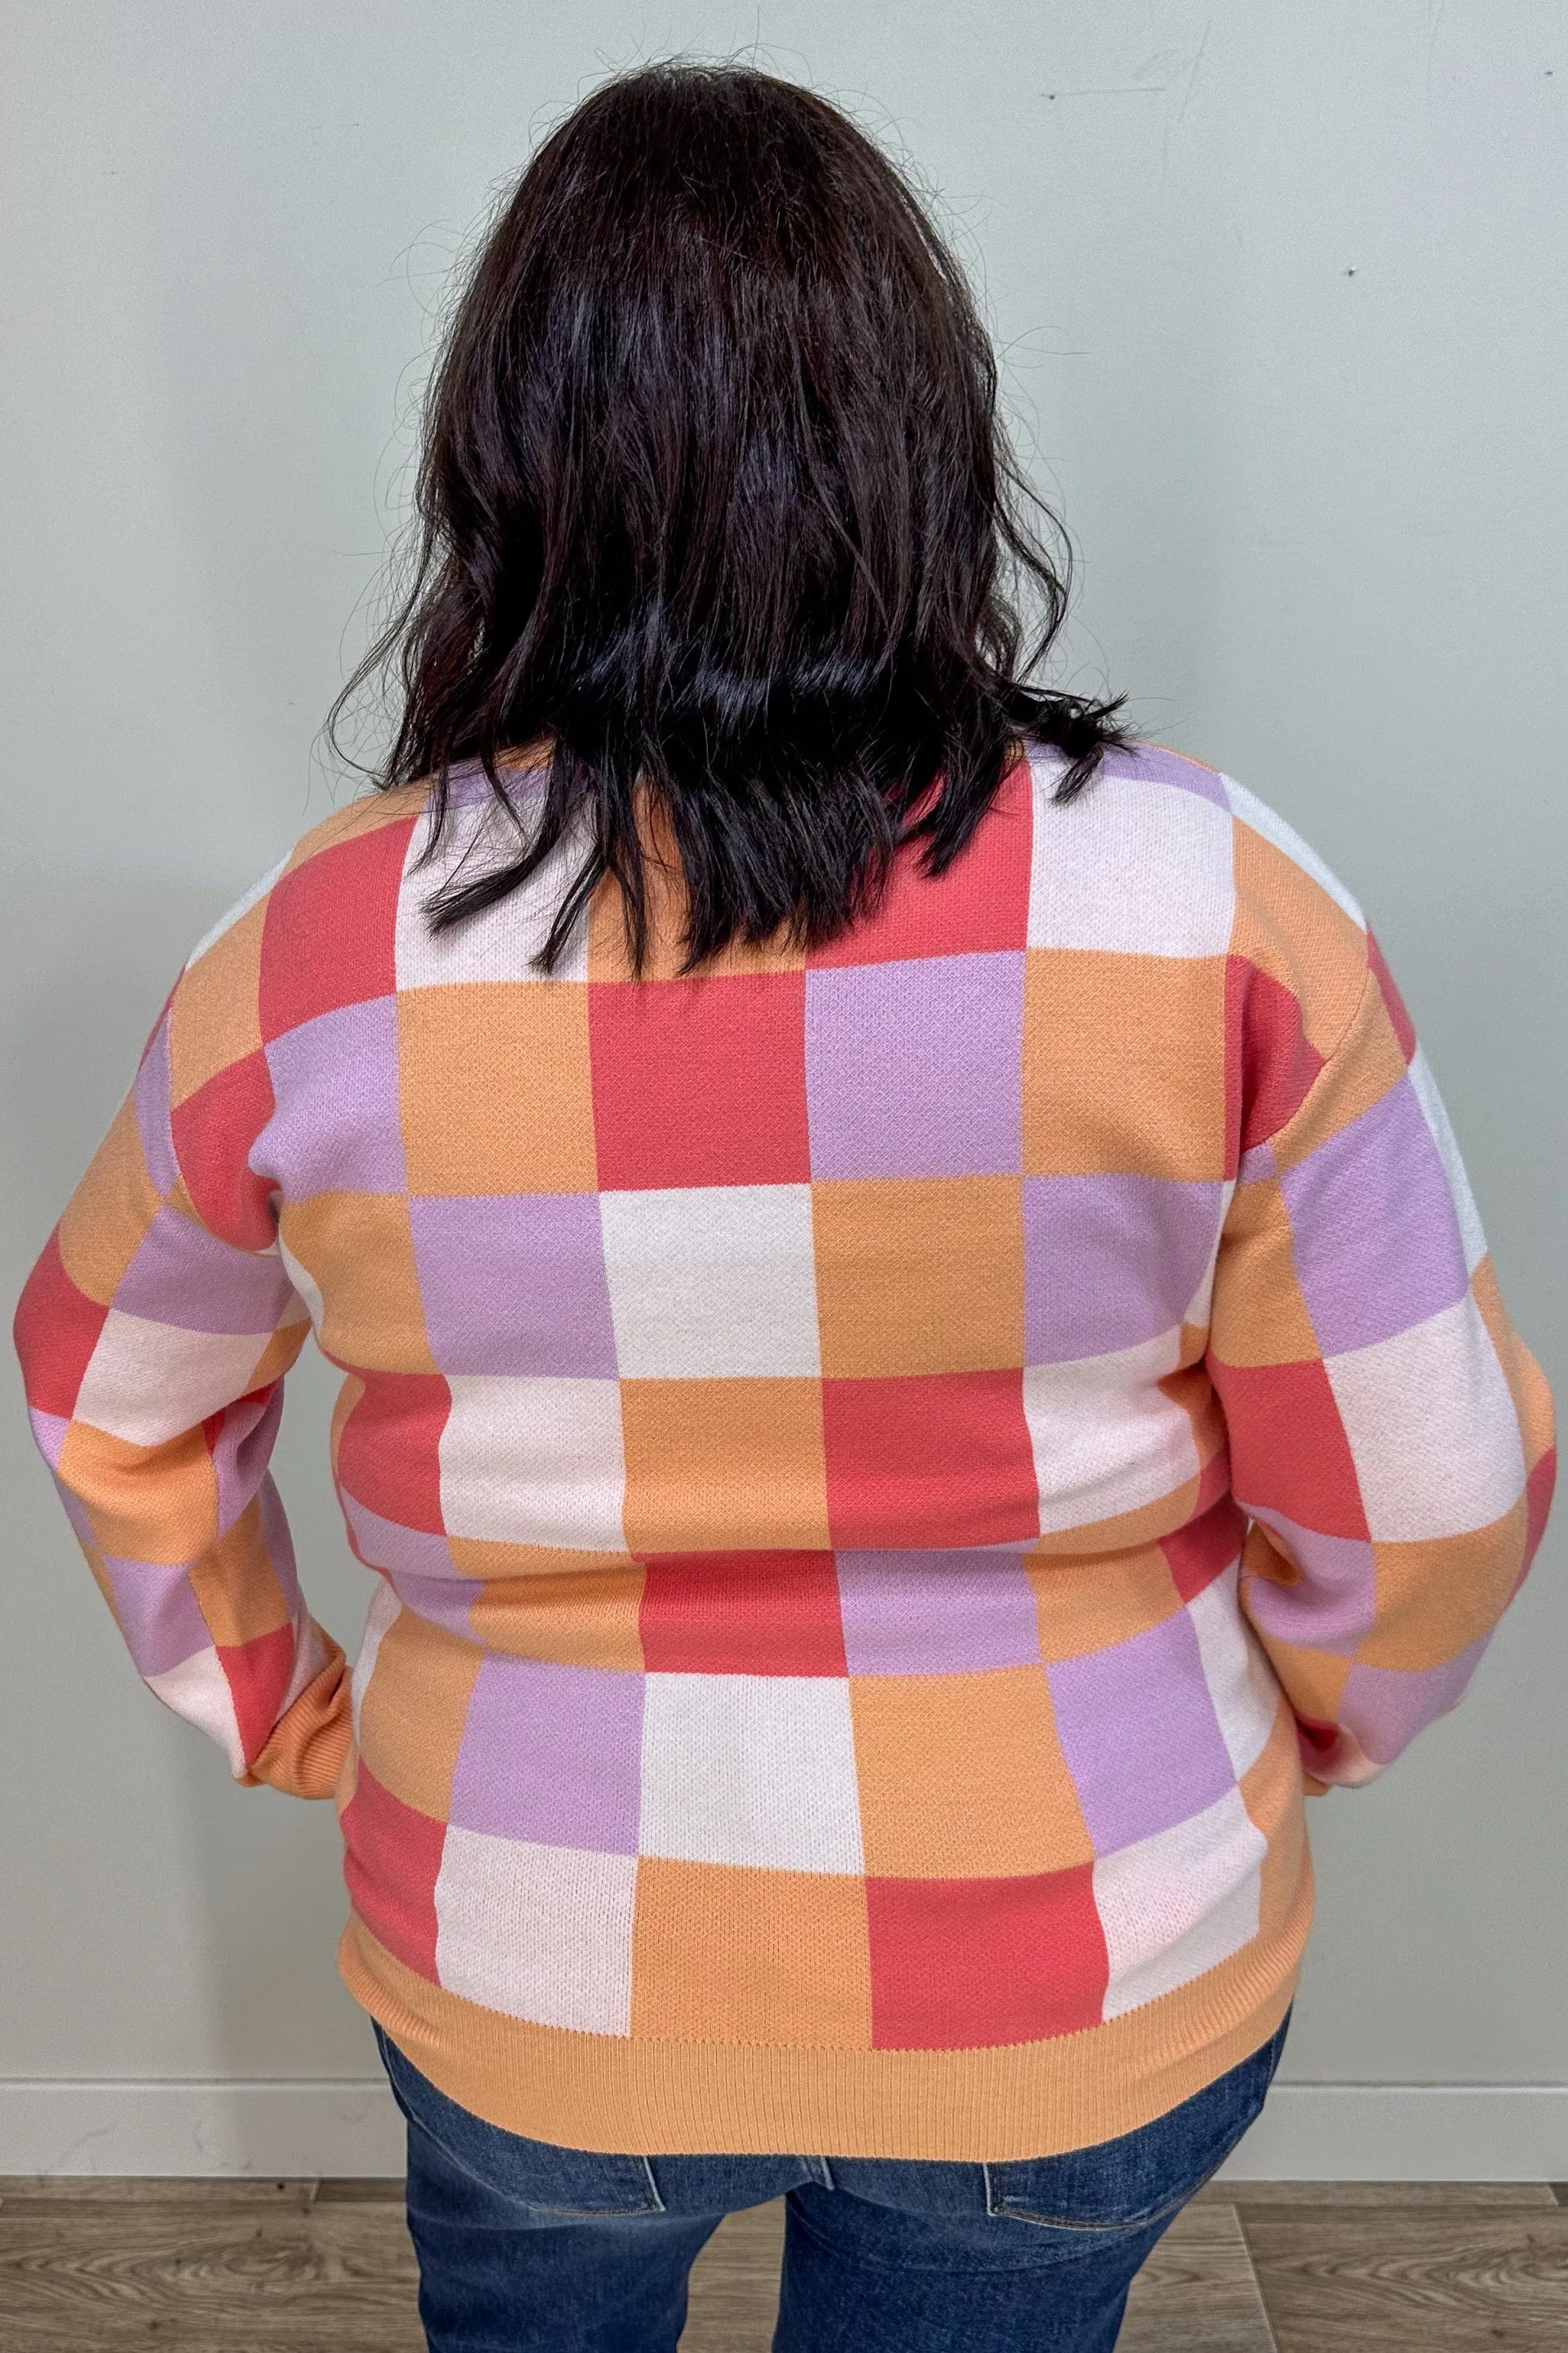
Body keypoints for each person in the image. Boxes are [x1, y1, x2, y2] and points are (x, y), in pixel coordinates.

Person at [13, 59, 1554, 2353]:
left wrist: (295, 1710)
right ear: (926, 442)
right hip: (1086, 1954)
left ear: (505, 467)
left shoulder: (318, 958)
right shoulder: (1223, 904)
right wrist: (1286, 1719)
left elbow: (105, 1398)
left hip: (528, 1952)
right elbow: (1433, 1489)